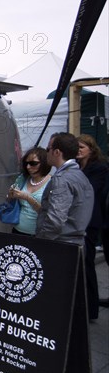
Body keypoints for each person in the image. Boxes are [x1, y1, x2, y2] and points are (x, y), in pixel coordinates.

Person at [36, 132, 94, 246]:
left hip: (60, 244)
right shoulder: (80, 175)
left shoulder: (62, 179)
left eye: (48, 149)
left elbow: (55, 220)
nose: (46, 153)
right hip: (74, 243)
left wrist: (41, 241)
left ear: (57, 152)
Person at [77, 134, 109, 319]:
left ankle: (91, 308)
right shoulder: (77, 166)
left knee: (87, 262)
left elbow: (90, 190)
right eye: (77, 147)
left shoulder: (99, 168)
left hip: (91, 219)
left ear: (91, 148)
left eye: (82, 147)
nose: (79, 150)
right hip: (81, 217)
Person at [7, 147, 52, 236]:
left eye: (33, 163)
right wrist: (10, 195)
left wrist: (27, 197)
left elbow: (47, 214)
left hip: (38, 234)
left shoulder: (52, 183)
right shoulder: (22, 179)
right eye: (26, 163)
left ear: (44, 163)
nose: (28, 167)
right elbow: (9, 200)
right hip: (17, 230)